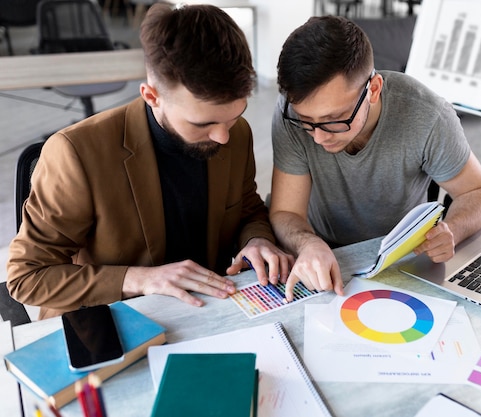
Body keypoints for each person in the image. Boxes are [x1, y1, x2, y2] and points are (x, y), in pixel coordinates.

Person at [6, 3, 292, 319]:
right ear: (151, 96)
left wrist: (256, 240)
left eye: (234, 115)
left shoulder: (236, 133)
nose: (223, 136)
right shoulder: (76, 153)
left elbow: (248, 209)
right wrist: (140, 279)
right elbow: (27, 276)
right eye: (202, 124)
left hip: (207, 310)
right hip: (114, 317)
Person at [270, 16, 481, 301]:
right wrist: (308, 243)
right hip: (322, 252)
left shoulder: (428, 115)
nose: (318, 137)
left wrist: (453, 229)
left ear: (373, 89)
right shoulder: (289, 114)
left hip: (402, 256)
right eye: (307, 121)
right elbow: (285, 212)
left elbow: (479, 191)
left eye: (333, 120)